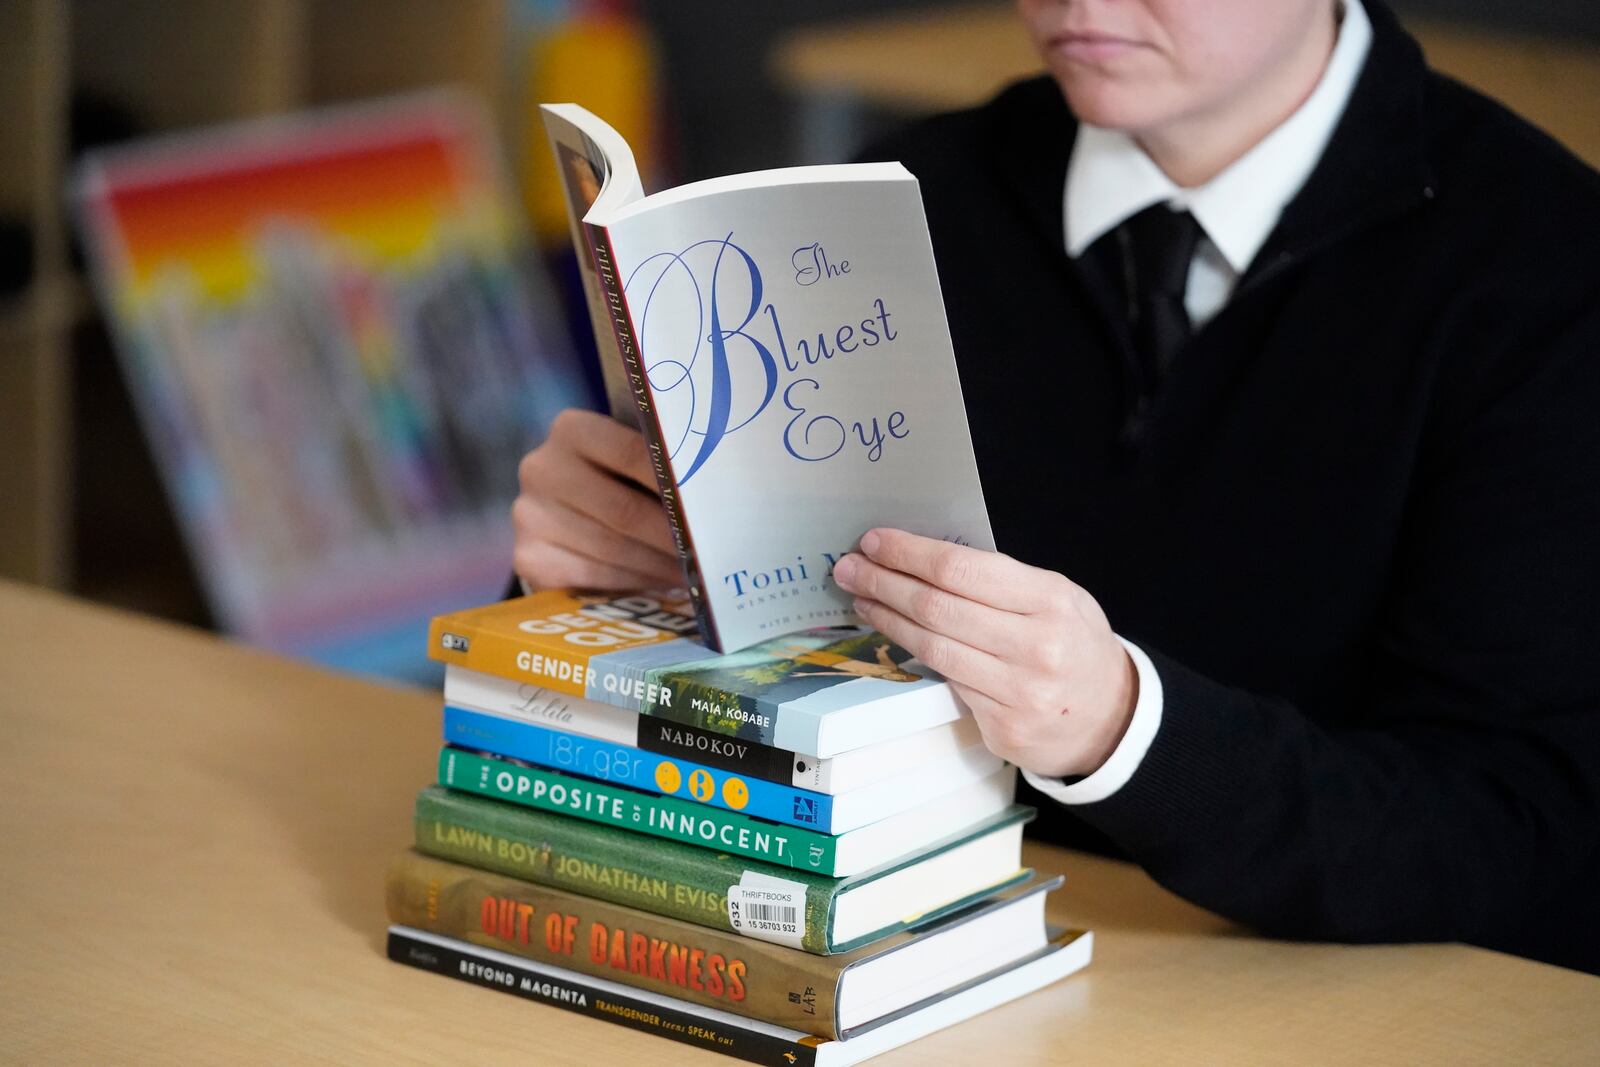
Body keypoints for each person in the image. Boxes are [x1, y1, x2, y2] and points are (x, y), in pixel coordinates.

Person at [512, 0, 1600, 973]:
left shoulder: (1545, 270)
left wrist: (1124, 730)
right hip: (908, 955)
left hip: (1323, 995)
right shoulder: (898, 210)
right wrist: (597, 580)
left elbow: (1516, 826)